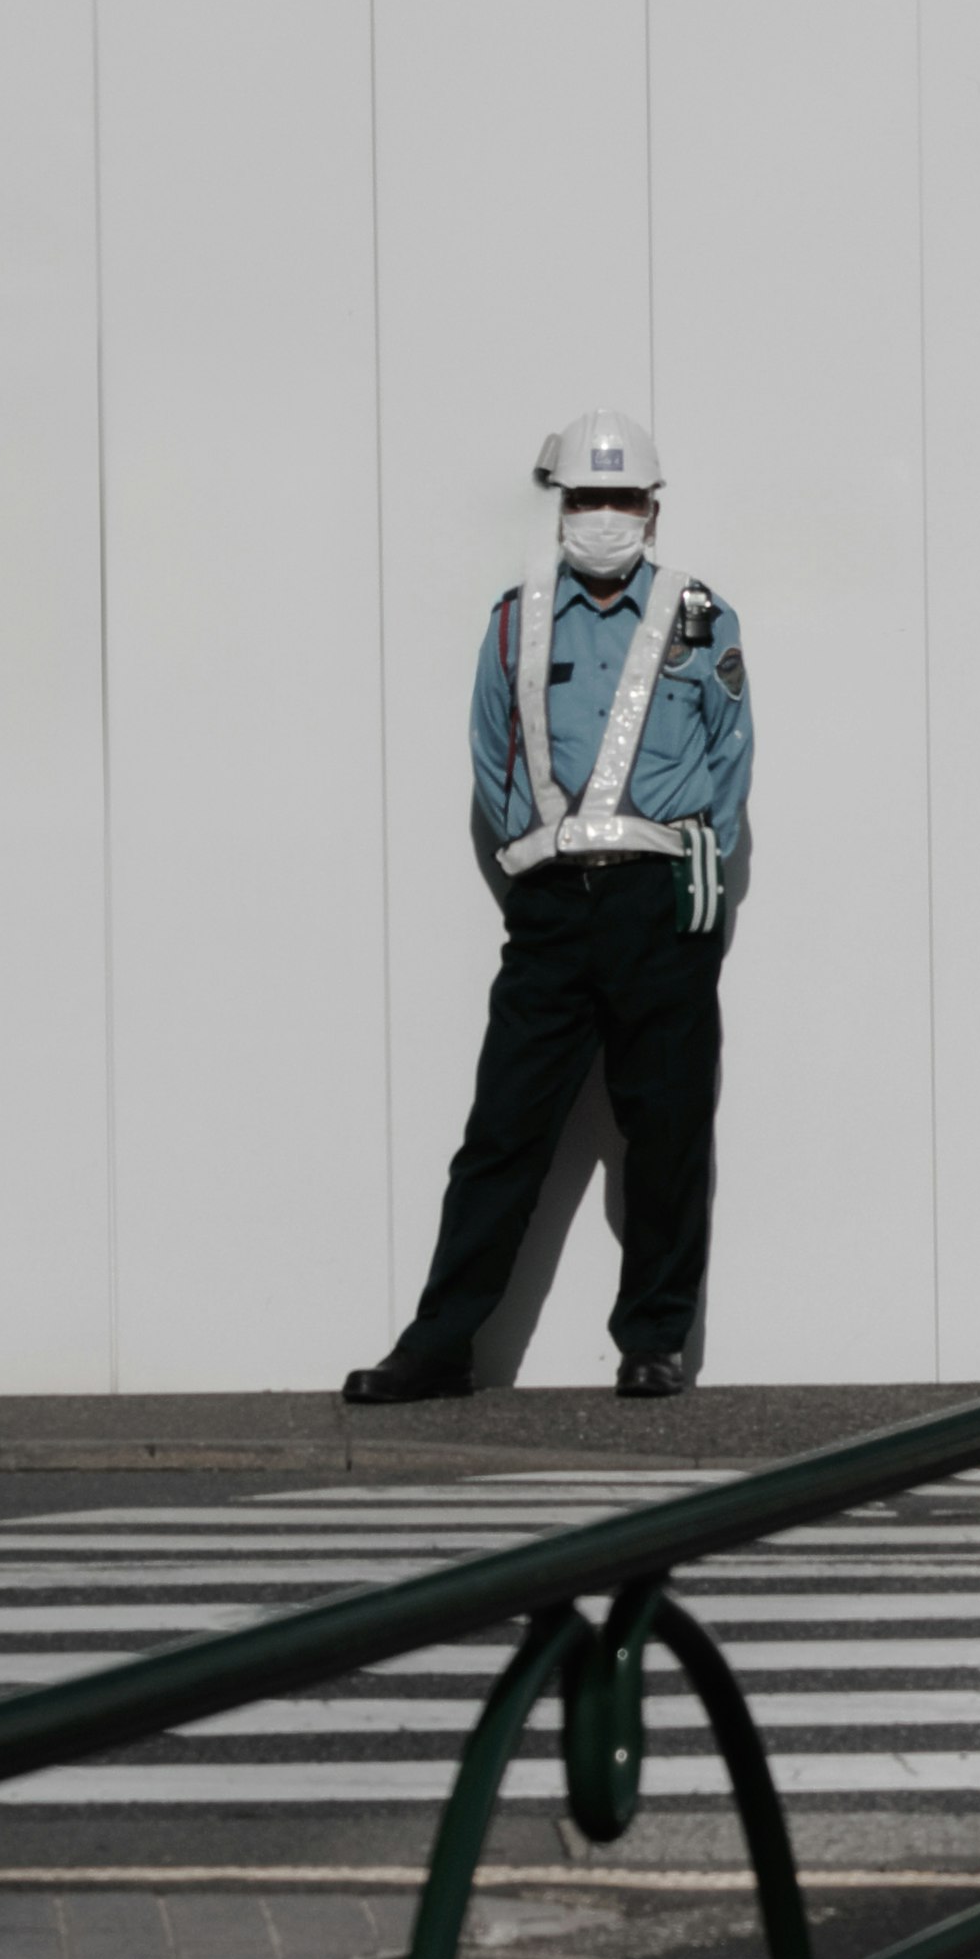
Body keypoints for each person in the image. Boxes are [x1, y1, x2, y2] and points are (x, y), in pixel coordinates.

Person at [345, 410, 754, 1403]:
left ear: (650, 513)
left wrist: (691, 866)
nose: (601, 517)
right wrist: (541, 859)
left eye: (619, 499)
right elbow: (492, 760)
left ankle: (654, 1342)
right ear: (561, 508)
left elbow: (732, 757)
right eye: (584, 499)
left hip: (662, 903)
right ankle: (440, 1345)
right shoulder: (515, 617)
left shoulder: (702, 614)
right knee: (504, 1130)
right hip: (552, 910)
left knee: (665, 1133)